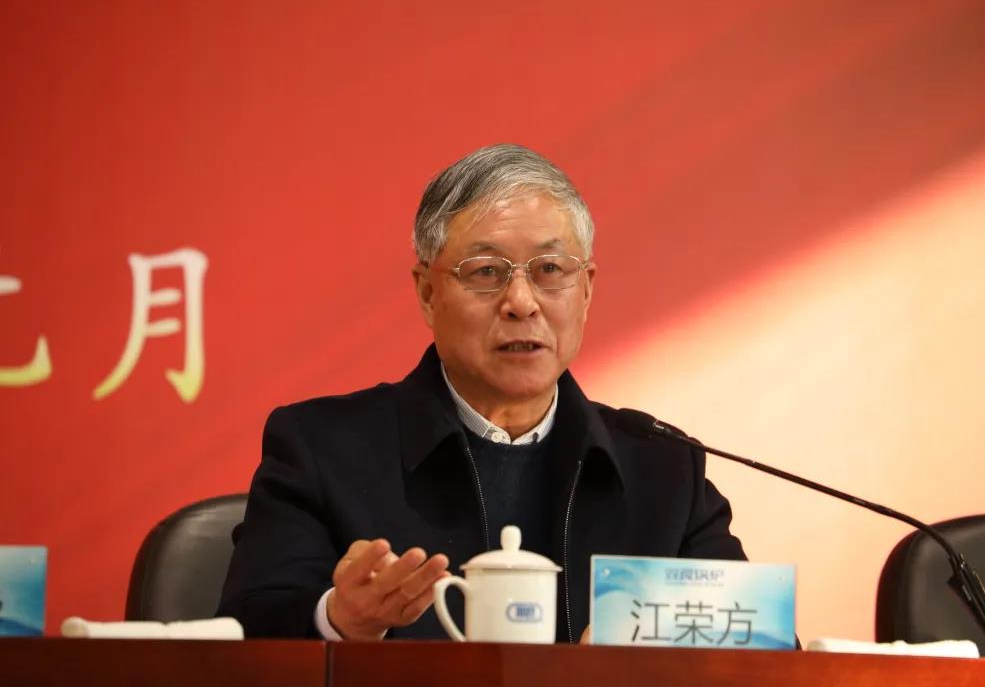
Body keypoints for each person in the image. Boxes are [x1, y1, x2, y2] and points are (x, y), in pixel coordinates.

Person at [217, 144, 746, 642]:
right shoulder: (323, 449)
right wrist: (339, 620)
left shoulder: (664, 468)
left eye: (549, 270)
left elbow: (756, 644)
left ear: (585, 291)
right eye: (486, 272)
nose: (521, 302)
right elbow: (241, 633)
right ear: (428, 293)